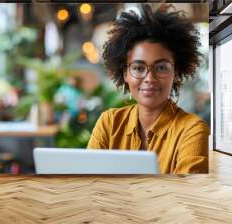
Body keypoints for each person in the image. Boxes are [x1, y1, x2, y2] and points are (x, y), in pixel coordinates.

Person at [87, 5, 209, 174]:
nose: (150, 79)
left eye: (161, 68)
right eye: (138, 68)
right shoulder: (109, 124)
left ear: (176, 72)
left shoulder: (192, 130)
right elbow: (89, 182)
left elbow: (187, 194)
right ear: (125, 74)